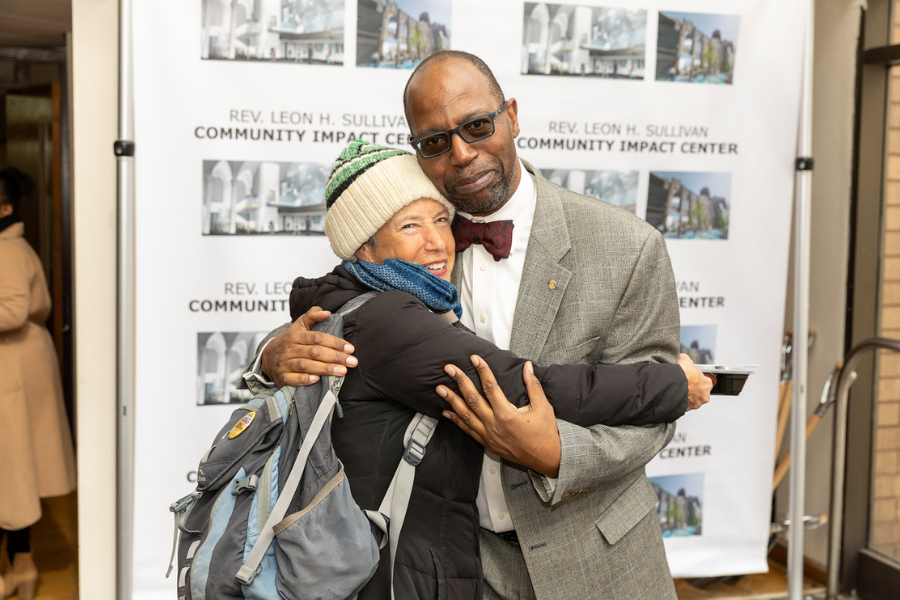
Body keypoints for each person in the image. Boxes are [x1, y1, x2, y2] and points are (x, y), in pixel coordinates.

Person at [252, 51, 710, 600]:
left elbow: (652, 416)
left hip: (596, 560)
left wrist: (554, 453)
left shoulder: (628, 246)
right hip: (456, 566)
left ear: (512, 116)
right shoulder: (417, 251)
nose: (463, 154)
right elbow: (337, 305)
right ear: (418, 151)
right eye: (436, 142)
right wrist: (270, 358)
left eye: (477, 126)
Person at [0, 167, 77, 599]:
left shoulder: (7, 250)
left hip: (11, 371)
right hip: (16, 368)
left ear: (6, 208)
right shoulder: (13, 246)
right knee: (14, 474)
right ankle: (22, 568)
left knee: (11, 474)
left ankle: (20, 569)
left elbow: (10, 311)